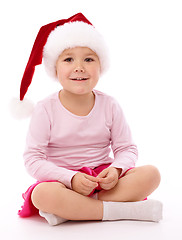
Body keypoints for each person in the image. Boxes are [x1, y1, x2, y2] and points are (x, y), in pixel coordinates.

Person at [17, 13, 162, 225]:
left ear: (100, 66)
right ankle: (121, 210)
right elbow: (33, 159)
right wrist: (71, 178)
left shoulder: (109, 105)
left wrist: (116, 169)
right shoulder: (45, 109)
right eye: (68, 59)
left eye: (88, 59)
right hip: (62, 182)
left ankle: (74, 210)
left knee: (151, 174)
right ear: (54, 68)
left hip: (103, 181)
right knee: (42, 194)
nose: (79, 67)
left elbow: (126, 148)